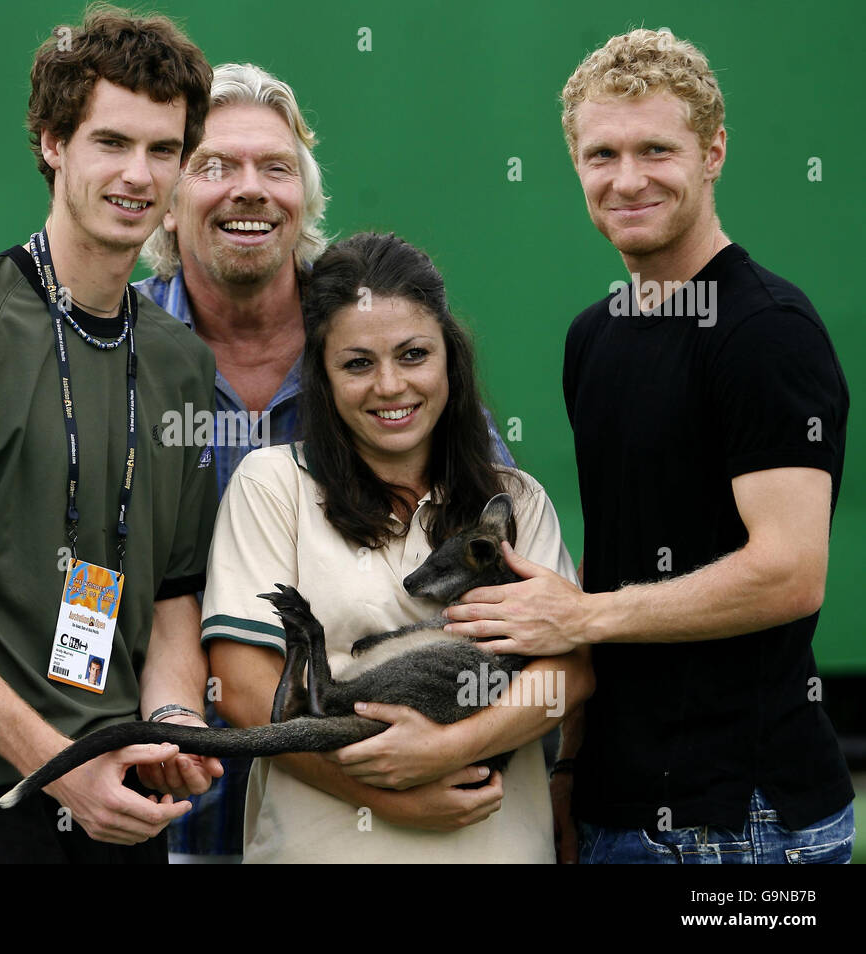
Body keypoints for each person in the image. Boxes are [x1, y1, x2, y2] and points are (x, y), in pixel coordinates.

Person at [443, 28, 855, 864]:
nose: (626, 180)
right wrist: (570, 771)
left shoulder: (766, 332)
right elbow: (619, 552)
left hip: (747, 824)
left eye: (656, 150)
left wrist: (582, 615)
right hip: (617, 807)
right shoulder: (595, 336)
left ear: (714, 153)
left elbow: (790, 570)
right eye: (601, 155)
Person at [0, 6, 221, 863]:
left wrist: (171, 721)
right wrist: (59, 764)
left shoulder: (179, 361)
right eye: (111, 142)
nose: (139, 175)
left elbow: (174, 593)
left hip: (118, 796)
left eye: (163, 151)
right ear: (54, 143)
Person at [137, 62, 517, 862]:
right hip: (157, 799)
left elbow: (500, 570)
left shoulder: (381, 351)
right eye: (214, 166)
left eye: (275, 167)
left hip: (374, 807)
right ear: (166, 197)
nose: (249, 190)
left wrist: (429, 760)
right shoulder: (110, 353)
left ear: (306, 200)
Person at [202, 232, 593, 863]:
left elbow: (567, 673)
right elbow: (245, 688)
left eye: (413, 355)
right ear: (321, 378)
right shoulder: (273, 485)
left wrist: (448, 750)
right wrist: (384, 796)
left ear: (449, 358)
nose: (390, 385)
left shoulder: (514, 499)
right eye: (357, 363)